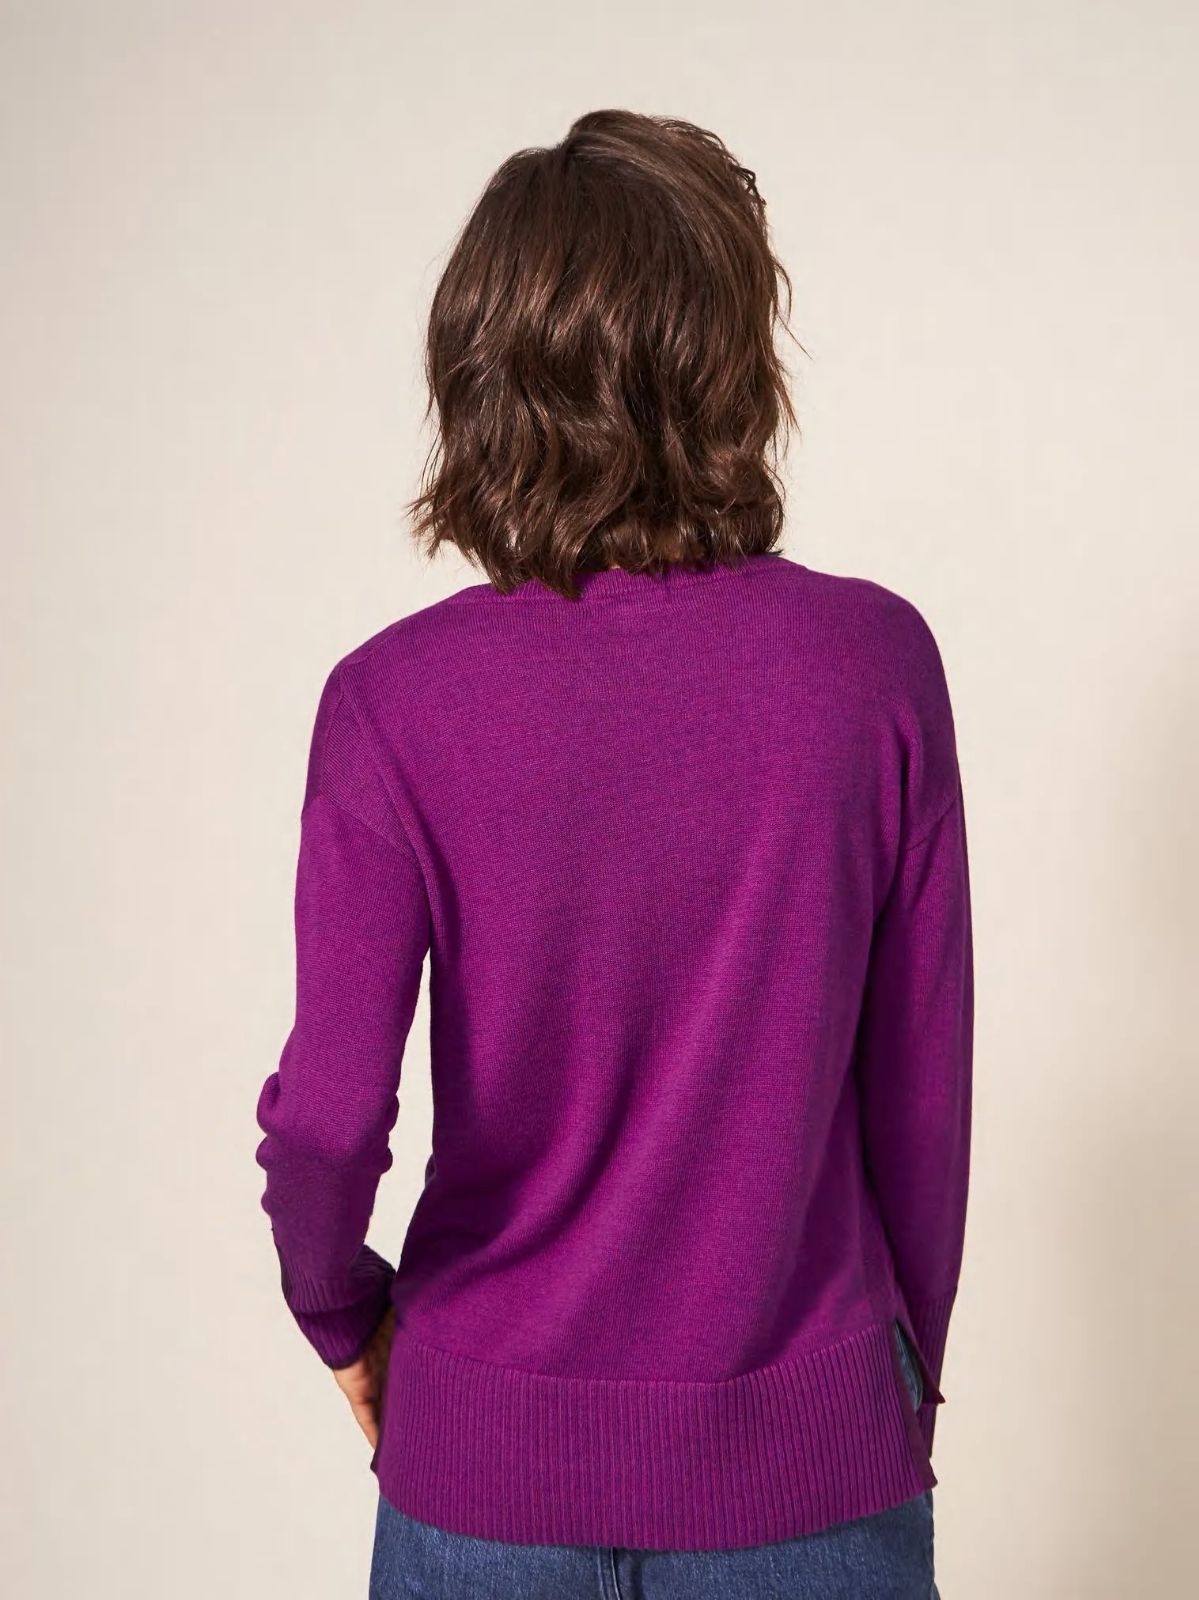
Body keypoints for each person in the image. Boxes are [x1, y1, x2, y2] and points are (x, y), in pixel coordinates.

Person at [254, 109, 972, 1600]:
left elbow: (326, 1121)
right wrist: (895, 1388)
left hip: (480, 1475)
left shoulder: (392, 702)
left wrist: (341, 1314)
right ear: (731, 360)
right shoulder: (873, 668)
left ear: (479, 374)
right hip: (809, 1475)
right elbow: (923, 1099)